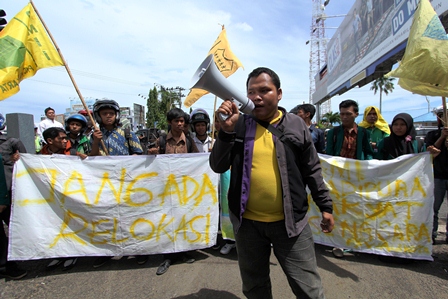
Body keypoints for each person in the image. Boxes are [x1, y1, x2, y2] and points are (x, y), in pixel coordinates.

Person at [210, 67, 334, 298]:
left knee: (308, 288)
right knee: (255, 287)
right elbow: (217, 166)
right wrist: (225, 132)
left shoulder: (297, 125)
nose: (256, 97)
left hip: (292, 225)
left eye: (264, 90)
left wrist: (325, 206)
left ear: (279, 93)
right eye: (250, 92)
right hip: (247, 226)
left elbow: (312, 170)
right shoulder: (237, 125)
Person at [89, 99, 145, 267]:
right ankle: (107, 252)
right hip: (104, 184)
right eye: (104, 114)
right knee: (106, 218)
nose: (108, 117)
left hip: (126, 182)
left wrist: (124, 164)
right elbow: (90, 158)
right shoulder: (93, 135)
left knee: (131, 217)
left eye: (111, 114)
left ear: (116, 115)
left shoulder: (126, 132)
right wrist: (96, 141)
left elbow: (138, 153)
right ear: (98, 116)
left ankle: (137, 251)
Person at [148, 108, 199, 275]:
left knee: (182, 219)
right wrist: (151, 154)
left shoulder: (190, 141)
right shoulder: (161, 141)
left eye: (182, 121)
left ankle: (183, 251)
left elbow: (198, 161)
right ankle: (168, 255)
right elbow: (148, 164)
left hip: (183, 190)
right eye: (177, 121)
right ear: (170, 122)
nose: (180, 124)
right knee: (167, 221)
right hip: (164, 190)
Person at [0, 114, 28, 280]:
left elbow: (26, 160)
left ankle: (9, 262)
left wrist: (18, 159)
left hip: (9, 192)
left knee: (16, 226)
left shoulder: (11, 142)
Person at [425, 107, 448, 244]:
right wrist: (442, 137)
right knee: (433, 208)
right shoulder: (432, 134)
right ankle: (431, 234)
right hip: (437, 176)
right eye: (441, 116)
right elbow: (430, 151)